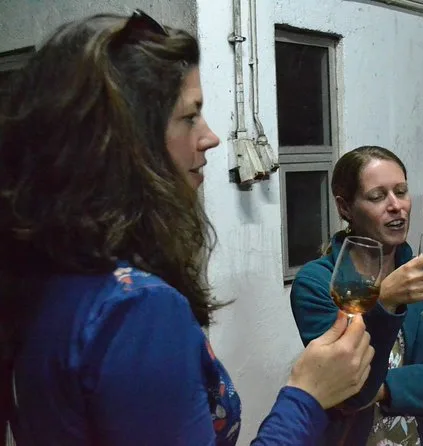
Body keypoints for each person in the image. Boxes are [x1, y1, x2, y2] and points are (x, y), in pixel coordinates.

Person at [0, 11, 375, 446]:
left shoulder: (46, 275)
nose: (210, 137)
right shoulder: (135, 309)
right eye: (189, 117)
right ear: (128, 139)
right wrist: (306, 396)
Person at [290, 145, 423, 445]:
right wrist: (384, 300)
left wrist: (382, 389)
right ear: (345, 208)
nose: (396, 206)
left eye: (401, 192)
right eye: (377, 196)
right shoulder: (319, 283)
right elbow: (348, 388)